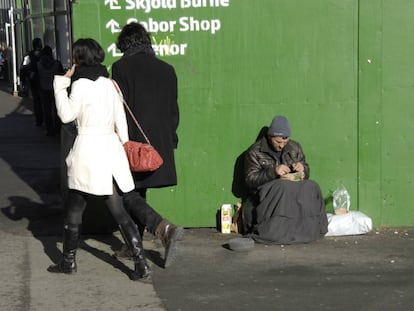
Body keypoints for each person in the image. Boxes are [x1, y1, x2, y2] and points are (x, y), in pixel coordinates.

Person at [48, 38, 150, 280]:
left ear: (79, 58)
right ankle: (141, 263)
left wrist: (61, 84)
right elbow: (120, 121)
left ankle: (68, 261)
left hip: (87, 152)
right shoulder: (110, 84)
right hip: (110, 151)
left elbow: (65, 115)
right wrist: (124, 147)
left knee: (74, 207)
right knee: (118, 209)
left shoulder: (81, 85)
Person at [112, 22, 183, 268]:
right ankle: (135, 245)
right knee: (138, 191)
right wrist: (170, 139)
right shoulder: (168, 69)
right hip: (160, 143)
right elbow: (173, 111)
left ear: (126, 44)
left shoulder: (121, 68)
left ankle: (162, 229)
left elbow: (120, 108)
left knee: (127, 192)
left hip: (133, 142)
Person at [243, 115, 328, 244]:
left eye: (285, 141)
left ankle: (313, 229)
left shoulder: (295, 147)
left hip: (291, 190)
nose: (282, 145)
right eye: (278, 142)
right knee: (282, 186)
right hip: (268, 194)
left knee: (311, 186)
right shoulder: (254, 152)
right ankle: (277, 231)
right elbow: (250, 180)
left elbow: (306, 170)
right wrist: (273, 172)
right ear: (270, 137)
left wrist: (303, 170)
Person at [37, 45, 64, 136]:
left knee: (47, 110)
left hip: (44, 88)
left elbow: (37, 77)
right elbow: (61, 75)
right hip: (55, 88)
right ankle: (57, 128)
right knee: (56, 109)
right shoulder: (57, 63)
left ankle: (49, 130)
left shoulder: (39, 64)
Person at [27, 38, 43, 126]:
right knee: (45, 100)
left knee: (36, 100)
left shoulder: (30, 54)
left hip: (34, 79)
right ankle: (46, 120)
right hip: (43, 79)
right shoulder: (44, 54)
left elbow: (25, 66)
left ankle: (39, 119)